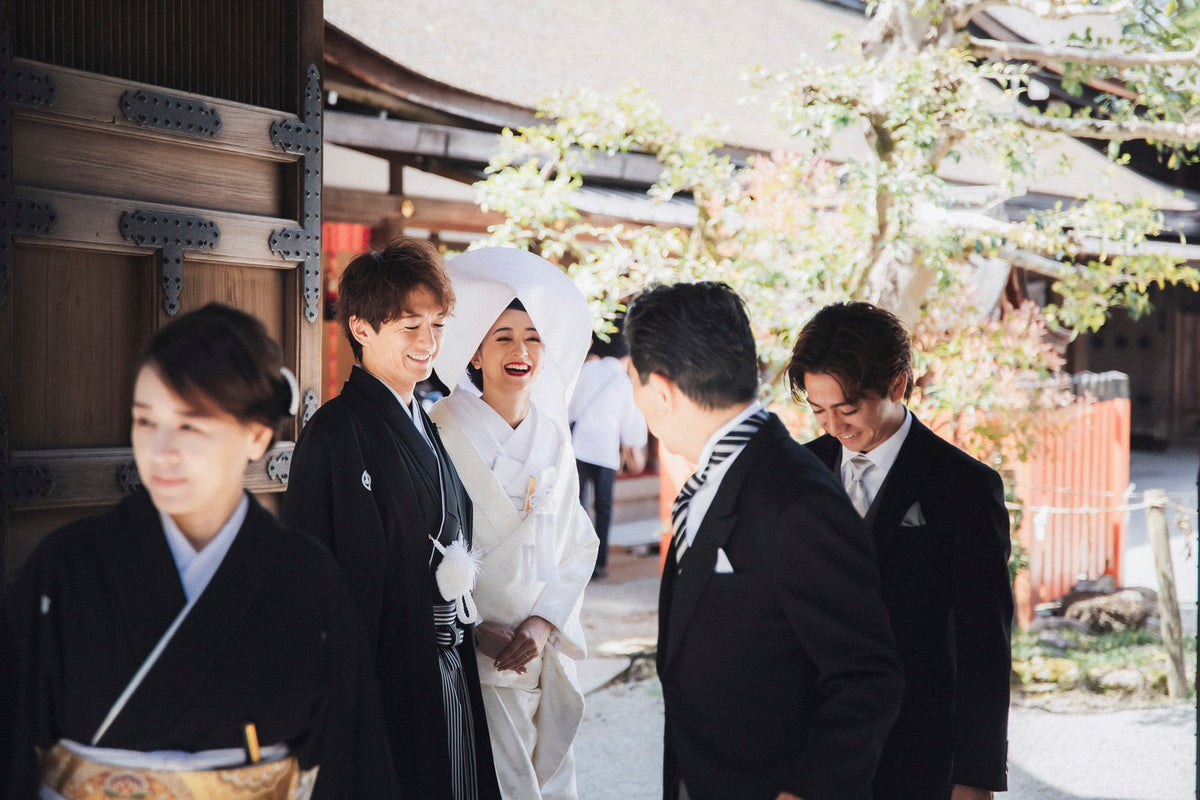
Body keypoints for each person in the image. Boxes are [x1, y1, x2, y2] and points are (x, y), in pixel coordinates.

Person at [0, 303, 396, 800]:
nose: (162, 450)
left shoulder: (306, 580)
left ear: (256, 435)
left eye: (190, 426)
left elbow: (353, 767)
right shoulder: (64, 568)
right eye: (146, 422)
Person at [623, 282, 903, 800]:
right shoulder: (716, 475)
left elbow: (867, 678)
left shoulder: (797, 499)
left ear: (661, 391)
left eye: (632, 382)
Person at [281, 238, 501, 800]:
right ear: (361, 328)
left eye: (437, 324)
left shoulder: (426, 424)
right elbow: (310, 581)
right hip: (379, 677)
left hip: (444, 660)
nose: (428, 342)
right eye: (410, 326)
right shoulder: (334, 433)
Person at [788, 301, 1013, 800]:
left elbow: (984, 644)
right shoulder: (795, 474)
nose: (834, 427)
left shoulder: (964, 487)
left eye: (847, 409)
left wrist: (975, 776)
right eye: (818, 410)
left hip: (918, 752)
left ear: (898, 385)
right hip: (809, 755)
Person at [429, 247, 599, 800]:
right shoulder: (440, 430)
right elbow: (421, 542)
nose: (519, 350)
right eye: (502, 337)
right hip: (473, 650)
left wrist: (543, 624)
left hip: (537, 648)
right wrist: (472, 625)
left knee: (552, 781)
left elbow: (577, 543)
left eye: (532, 337)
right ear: (475, 353)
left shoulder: (554, 437)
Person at [569, 330, 647, 580]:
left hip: (577, 445)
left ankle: (577, 561)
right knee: (603, 508)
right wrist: (635, 449)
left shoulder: (583, 372)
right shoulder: (621, 381)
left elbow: (568, 408)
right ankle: (599, 564)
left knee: (576, 508)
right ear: (625, 357)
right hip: (604, 450)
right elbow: (631, 422)